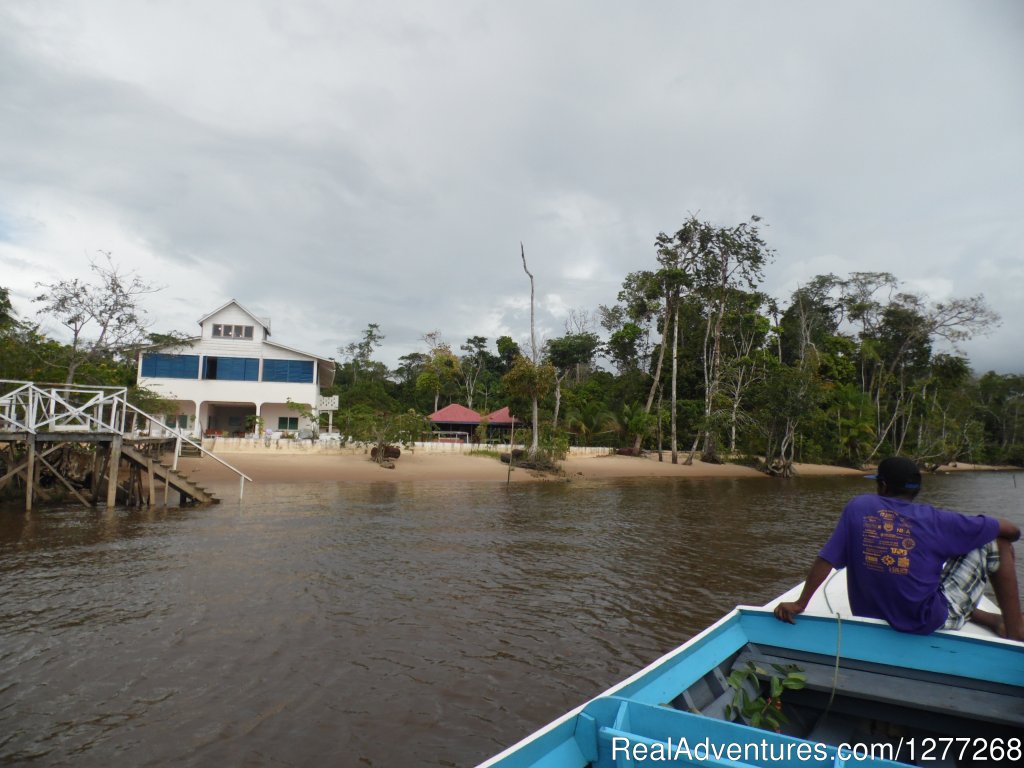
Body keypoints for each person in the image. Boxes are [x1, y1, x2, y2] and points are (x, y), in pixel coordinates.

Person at [774, 456, 1024, 641]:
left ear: (882, 486)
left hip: (869, 615)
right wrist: (970, 529)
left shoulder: (858, 506)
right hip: (924, 621)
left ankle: (992, 620)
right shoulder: (936, 519)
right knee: (997, 543)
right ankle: (1016, 633)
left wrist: (801, 603)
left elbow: (825, 560)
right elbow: (1011, 531)